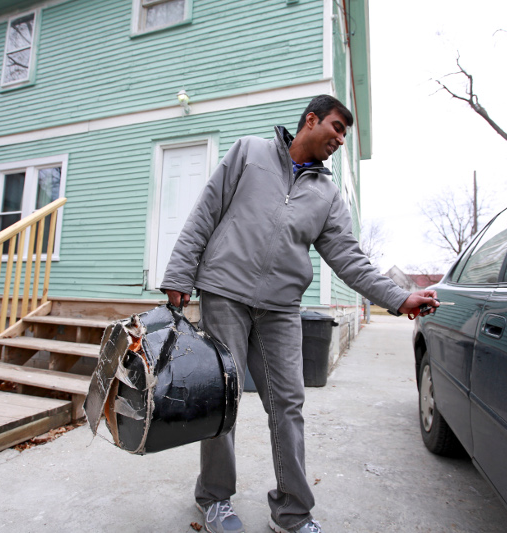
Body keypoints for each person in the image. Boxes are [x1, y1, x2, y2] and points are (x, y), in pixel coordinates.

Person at [161, 94, 437, 533]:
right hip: (224, 293)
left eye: (345, 133)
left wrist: (398, 297)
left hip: (280, 307)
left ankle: (292, 511)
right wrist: (179, 274)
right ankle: (214, 498)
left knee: (288, 404)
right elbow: (205, 212)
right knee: (224, 399)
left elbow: (349, 258)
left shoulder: (326, 195)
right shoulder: (249, 153)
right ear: (311, 120)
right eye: (336, 128)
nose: (340, 140)